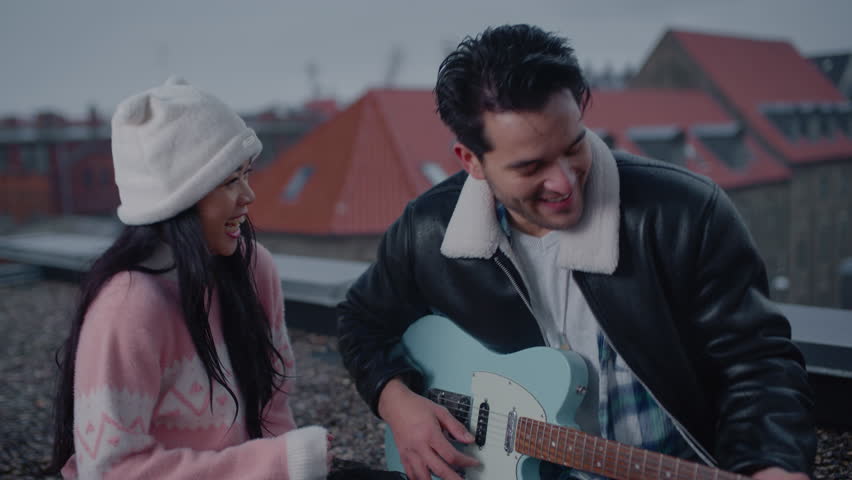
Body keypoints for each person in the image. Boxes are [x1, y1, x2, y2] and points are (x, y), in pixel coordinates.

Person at [337, 24, 815, 480]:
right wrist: (396, 401)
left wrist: (772, 461)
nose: (564, 182)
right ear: (471, 161)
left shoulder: (688, 213)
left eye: (574, 146)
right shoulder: (426, 229)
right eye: (530, 166)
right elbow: (361, 320)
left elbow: (758, 363)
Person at [46, 76, 331, 479]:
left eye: (246, 174)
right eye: (230, 181)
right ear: (179, 199)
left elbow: (273, 413)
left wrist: (289, 465)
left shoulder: (255, 270)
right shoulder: (127, 307)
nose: (248, 195)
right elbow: (110, 471)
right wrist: (278, 464)